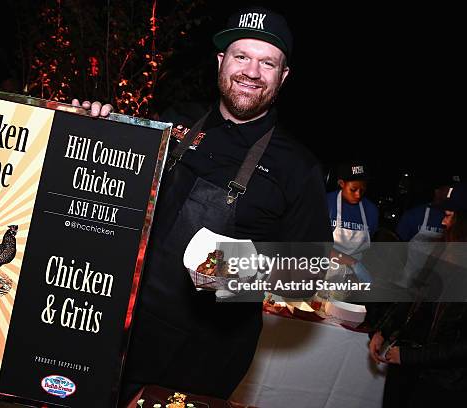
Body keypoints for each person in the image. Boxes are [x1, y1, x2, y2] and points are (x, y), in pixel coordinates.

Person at [73, 6, 332, 403]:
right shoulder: (172, 123)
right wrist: (93, 130)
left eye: (267, 63)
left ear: (283, 77)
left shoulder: (298, 167)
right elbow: (109, 194)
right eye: (241, 56)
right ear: (220, 61)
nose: (251, 71)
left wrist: (239, 270)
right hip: (121, 326)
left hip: (206, 354)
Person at [367, 181, 467, 407]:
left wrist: (410, 357)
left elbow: (461, 347)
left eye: (449, 216)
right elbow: (413, 299)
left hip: (442, 383)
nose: (443, 221)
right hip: (407, 368)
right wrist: (383, 329)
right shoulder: (440, 252)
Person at [325, 162, 378, 284]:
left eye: (362, 190)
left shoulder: (371, 211)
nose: (358, 194)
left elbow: (367, 248)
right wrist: (352, 262)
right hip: (321, 269)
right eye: (353, 189)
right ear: (341, 183)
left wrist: (361, 269)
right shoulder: (326, 203)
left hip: (350, 277)